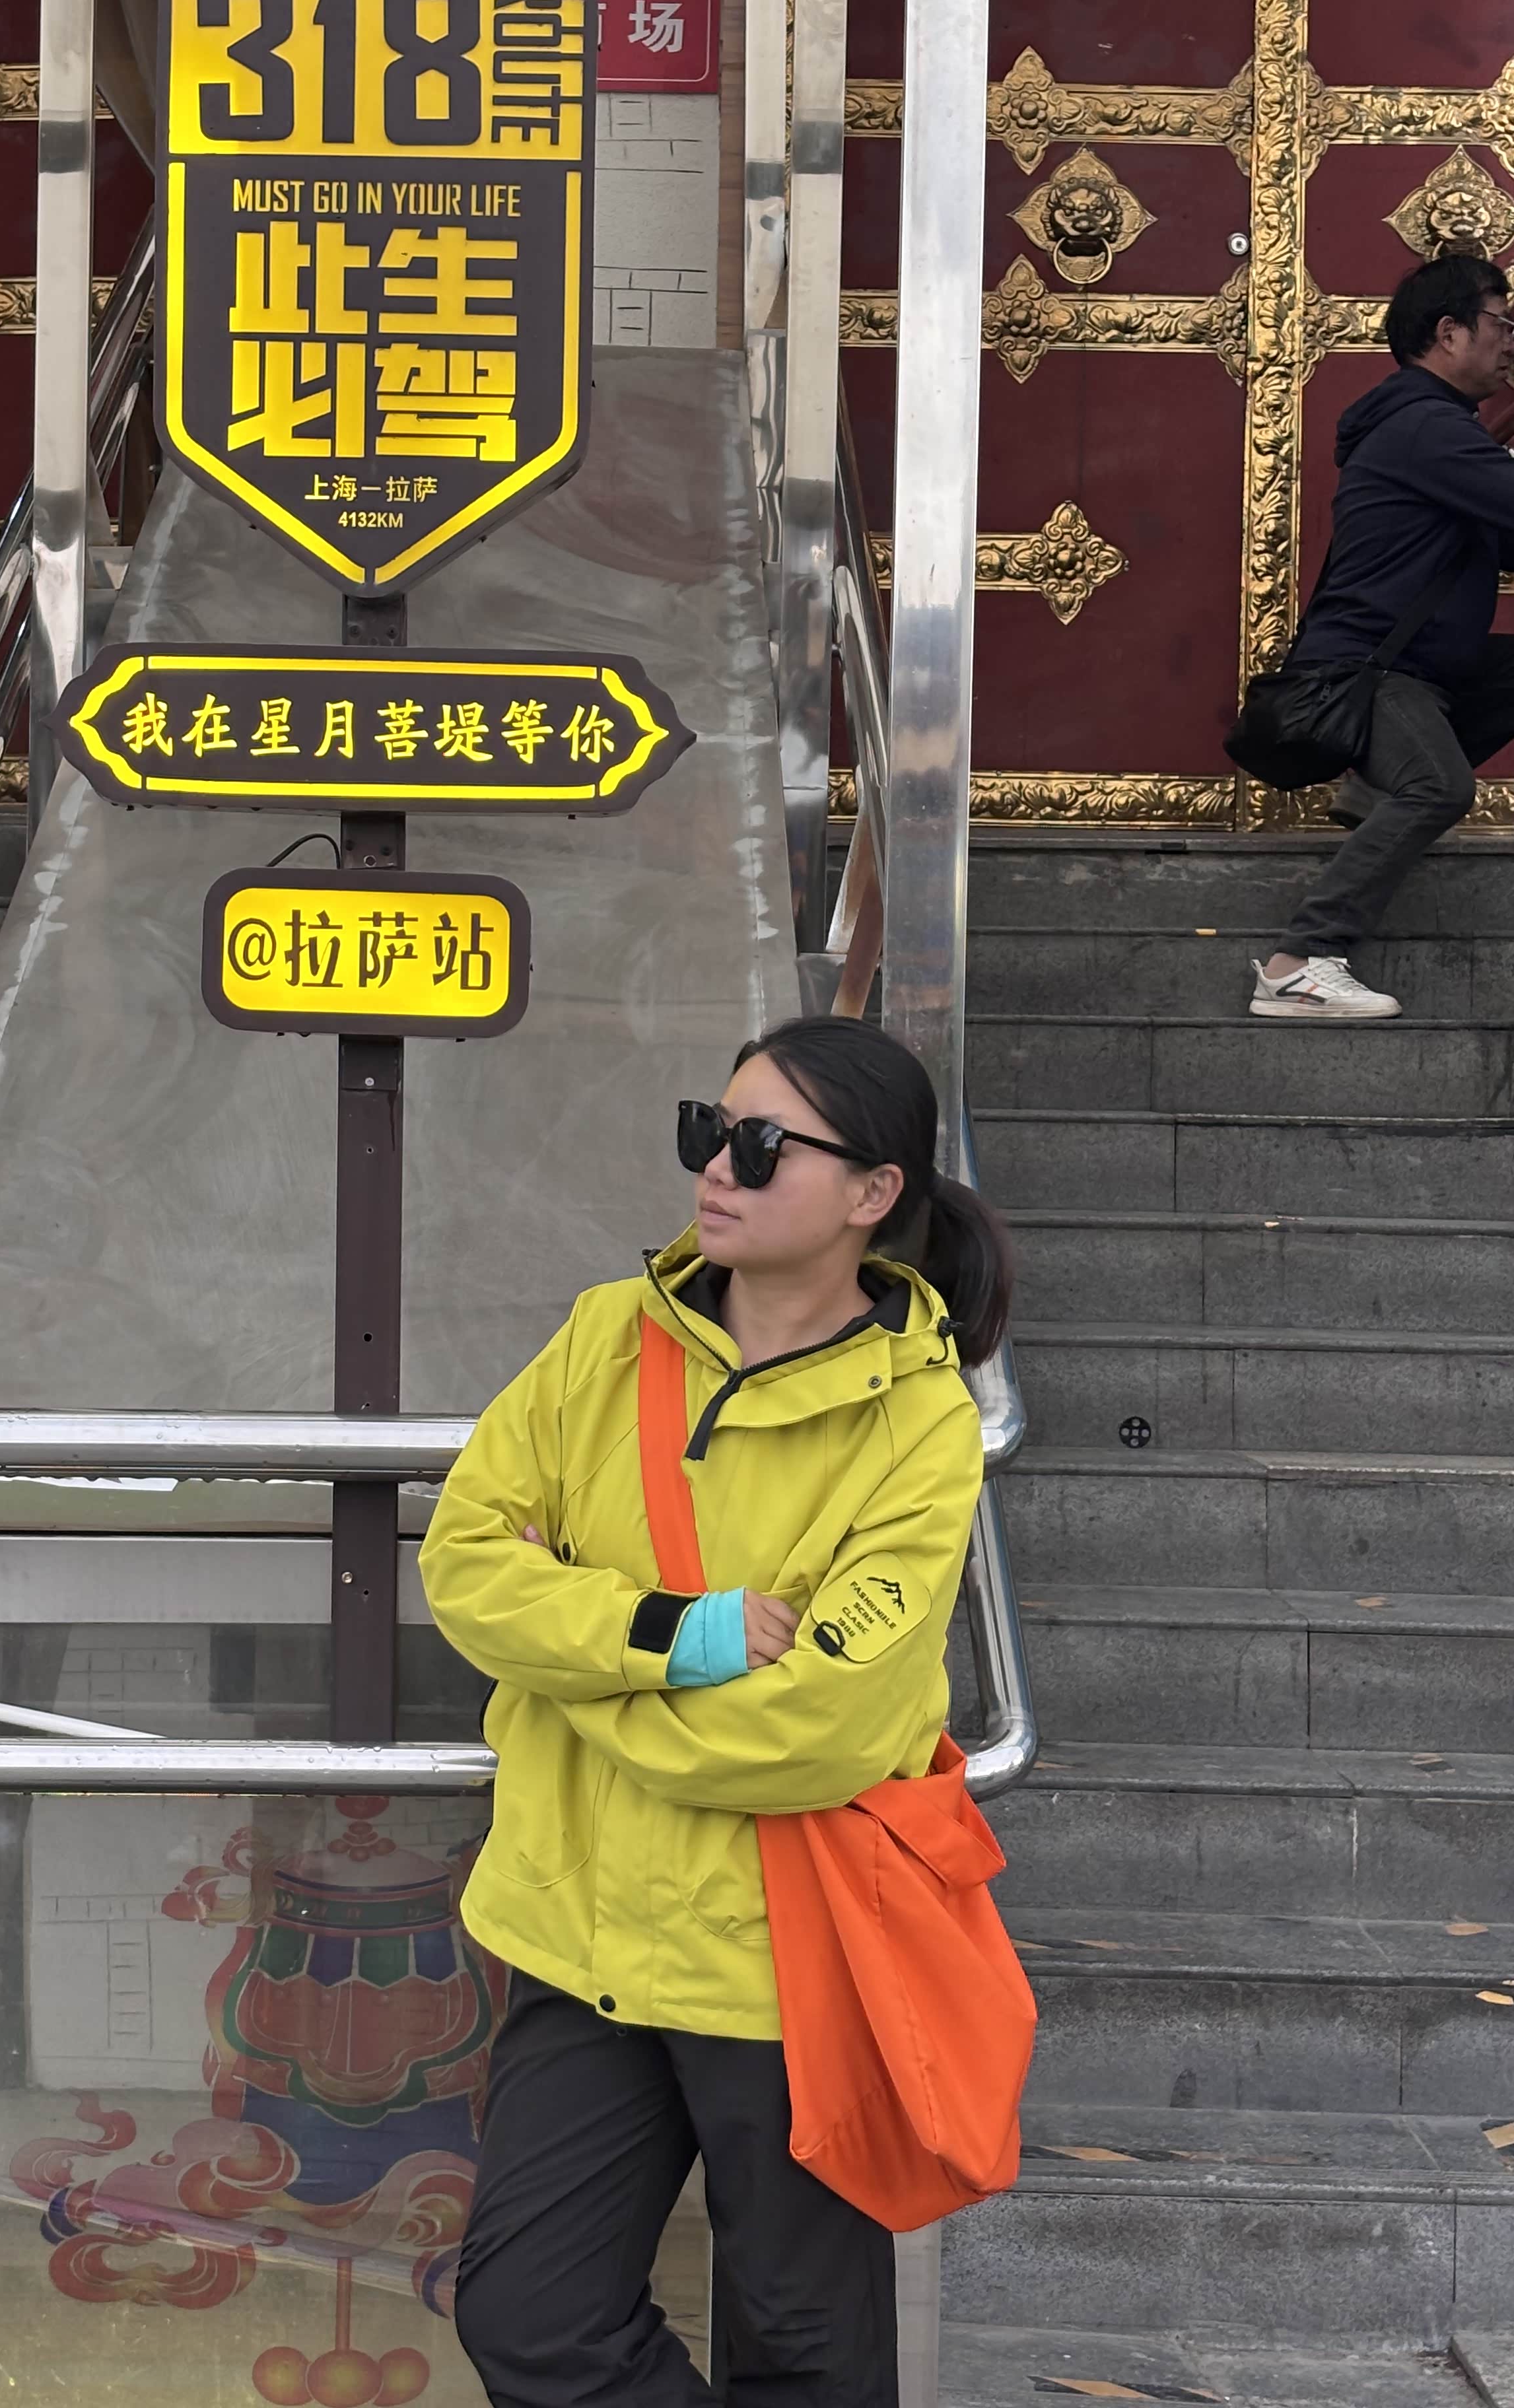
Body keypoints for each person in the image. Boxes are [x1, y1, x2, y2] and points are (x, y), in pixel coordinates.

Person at [418, 1016, 1011, 2408]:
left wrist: (569, 1679)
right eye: (708, 1129)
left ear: (871, 1193)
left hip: (789, 1953)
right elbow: (463, 1563)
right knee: (529, 2317)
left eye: (758, 1144)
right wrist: (671, 1639)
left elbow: (820, 1728)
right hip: (584, 1937)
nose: (715, 1168)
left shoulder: (919, 1420)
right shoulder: (606, 1336)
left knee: (806, 2354)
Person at [1251, 250, 1514, 1021]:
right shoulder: (1424, 427)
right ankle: (1300, 962)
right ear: (1449, 333)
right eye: (1501, 324)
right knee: (1441, 787)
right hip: (1369, 671)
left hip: (1419, 670)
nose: (1512, 342)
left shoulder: (1437, 429)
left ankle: (1373, 788)